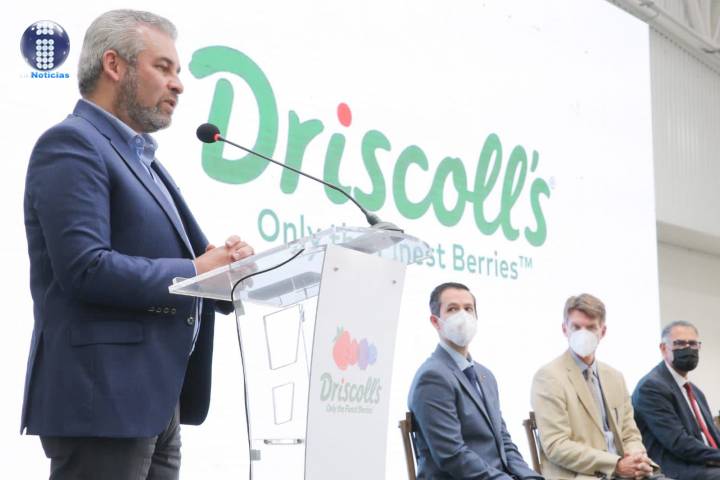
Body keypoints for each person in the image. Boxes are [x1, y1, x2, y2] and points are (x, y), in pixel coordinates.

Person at [21, 10, 253, 479]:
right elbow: (86, 268)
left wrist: (227, 268)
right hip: (102, 399)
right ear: (114, 65)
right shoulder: (72, 144)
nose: (178, 84)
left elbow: (190, 263)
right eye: (163, 67)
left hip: (156, 403)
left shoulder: (143, 159)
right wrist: (198, 270)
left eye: (178, 72)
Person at [408, 282, 543, 479]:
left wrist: (531, 477)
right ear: (436, 322)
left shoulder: (485, 375)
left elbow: (503, 442)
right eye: (452, 309)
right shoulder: (432, 377)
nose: (462, 315)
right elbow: (452, 455)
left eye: (468, 309)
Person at [531, 293, 668, 479]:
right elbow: (557, 445)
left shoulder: (615, 377)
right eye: (576, 327)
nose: (583, 334)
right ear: (564, 329)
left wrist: (636, 457)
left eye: (590, 327)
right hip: (582, 475)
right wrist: (616, 465)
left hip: (625, 473)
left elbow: (630, 434)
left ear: (602, 332)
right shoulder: (549, 377)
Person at [632, 320, 720, 479]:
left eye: (693, 344)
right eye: (679, 344)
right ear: (663, 348)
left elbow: (713, 435)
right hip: (675, 469)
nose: (688, 349)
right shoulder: (651, 387)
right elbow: (678, 443)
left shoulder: (696, 392)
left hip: (705, 464)